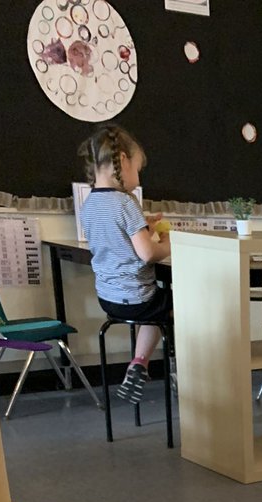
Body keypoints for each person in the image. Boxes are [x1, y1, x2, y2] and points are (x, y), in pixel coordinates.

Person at [79, 125, 172, 406]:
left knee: (156, 306)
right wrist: (168, 243)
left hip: (108, 299)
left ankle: (140, 363)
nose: (138, 178)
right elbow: (147, 254)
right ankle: (151, 364)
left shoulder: (89, 204)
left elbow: (116, 237)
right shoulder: (126, 202)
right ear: (122, 160)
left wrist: (144, 225)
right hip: (138, 299)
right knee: (172, 305)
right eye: (138, 170)